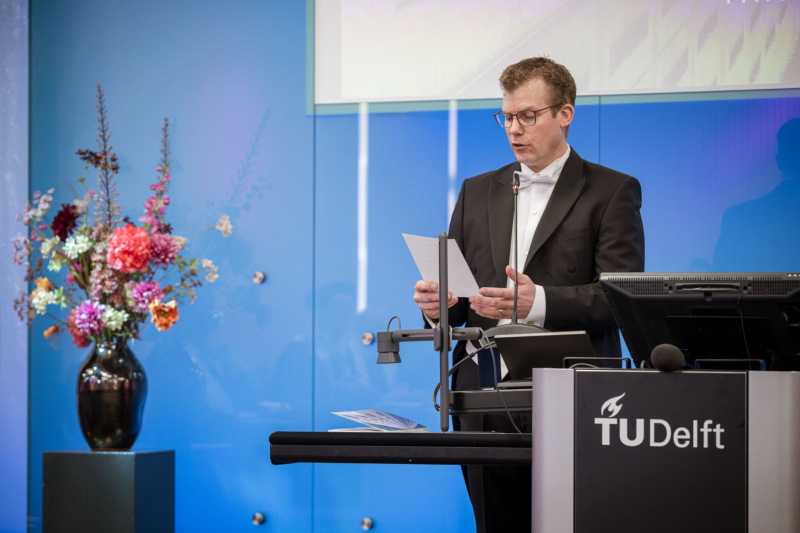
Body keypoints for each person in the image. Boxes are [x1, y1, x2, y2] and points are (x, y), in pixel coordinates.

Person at [413, 57, 645, 532]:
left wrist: (536, 302)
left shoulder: (611, 191)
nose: (514, 129)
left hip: (572, 390)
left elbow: (620, 300)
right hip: (480, 388)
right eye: (506, 117)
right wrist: (440, 308)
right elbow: (463, 297)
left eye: (528, 116)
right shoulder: (477, 190)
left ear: (565, 114)